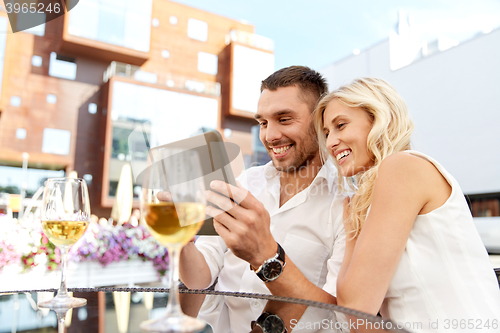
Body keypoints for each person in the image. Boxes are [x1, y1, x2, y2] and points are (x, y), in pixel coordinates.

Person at [314, 77, 500, 332]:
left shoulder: (402, 167)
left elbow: (354, 309)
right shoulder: (376, 192)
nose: (331, 142)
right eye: (326, 133)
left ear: (379, 119)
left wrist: (352, 234)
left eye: (341, 125)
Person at [179, 66, 347, 331]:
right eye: (263, 123)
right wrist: (183, 242)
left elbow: (340, 317)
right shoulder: (246, 182)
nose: (270, 136)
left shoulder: (346, 203)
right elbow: (200, 276)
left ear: (320, 121)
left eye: (284, 119)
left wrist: (266, 254)